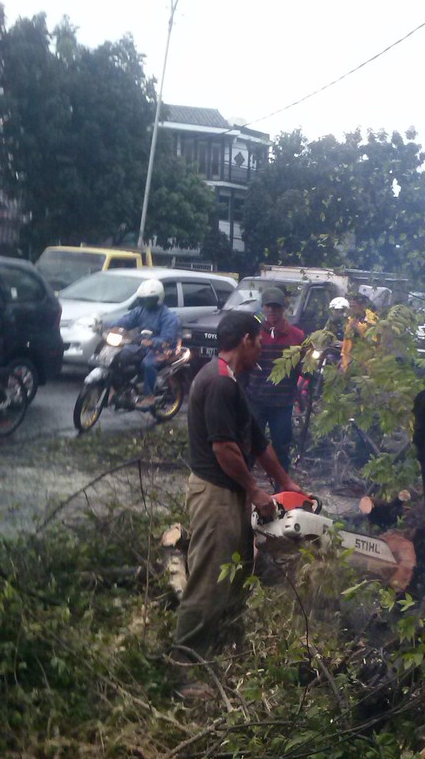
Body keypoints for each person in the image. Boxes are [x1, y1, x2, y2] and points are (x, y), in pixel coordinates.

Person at [172, 310, 305, 671]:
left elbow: (258, 441)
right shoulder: (218, 382)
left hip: (231, 492)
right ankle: (185, 664)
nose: (262, 347)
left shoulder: (234, 381)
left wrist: (286, 483)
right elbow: (224, 449)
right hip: (215, 492)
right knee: (210, 578)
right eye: (259, 341)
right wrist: (258, 493)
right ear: (245, 340)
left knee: (239, 572)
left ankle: (224, 649)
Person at [244, 286, 306, 472]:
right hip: (256, 399)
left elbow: (302, 369)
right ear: (263, 308)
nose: (272, 311)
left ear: (283, 309)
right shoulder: (254, 334)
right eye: (268, 307)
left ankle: (283, 492)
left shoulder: (297, 336)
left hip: (282, 403)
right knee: (250, 446)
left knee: (281, 447)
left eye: (276, 307)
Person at [107, 278, 181, 409]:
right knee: (119, 356)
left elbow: (167, 339)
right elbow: (126, 320)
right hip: (141, 346)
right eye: (143, 299)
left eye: (149, 299)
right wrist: (107, 326)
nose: (146, 302)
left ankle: (149, 397)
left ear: (158, 298)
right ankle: (117, 389)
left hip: (163, 350)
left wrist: (152, 342)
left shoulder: (169, 317)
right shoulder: (140, 311)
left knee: (148, 364)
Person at [341, 292, 378, 371]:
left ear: (362, 306)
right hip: (348, 363)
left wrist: (359, 329)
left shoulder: (371, 320)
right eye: (350, 306)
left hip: (364, 364)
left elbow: (373, 342)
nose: (351, 309)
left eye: (353, 306)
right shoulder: (352, 319)